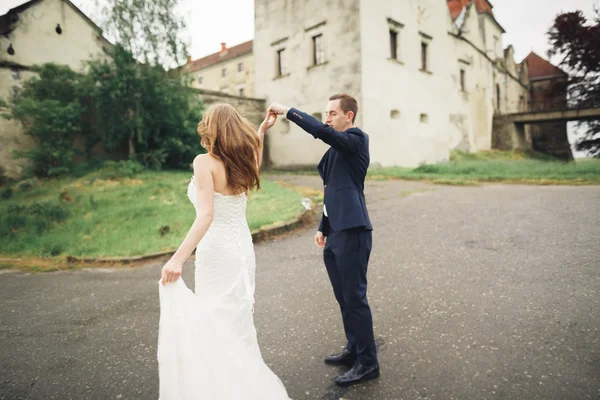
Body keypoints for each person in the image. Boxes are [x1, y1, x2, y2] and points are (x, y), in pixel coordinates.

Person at [157, 103, 291, 399]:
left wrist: (177, 259)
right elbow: (255, 166)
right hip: (242, 250)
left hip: (217, 252)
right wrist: (260, 133)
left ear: (211, 129)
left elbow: (206, 215)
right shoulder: (242, 162)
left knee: (215, 322)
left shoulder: (204, 162)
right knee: (237, 318)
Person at [268, 94, 379, 387]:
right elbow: (334, 189)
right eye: (326, 113)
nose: (327, 118)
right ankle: (354, 348)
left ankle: (368, 363)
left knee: (355, 298)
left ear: (349, 116)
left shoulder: (356, 140)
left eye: (332, 113)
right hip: (336, 231)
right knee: (343, 296)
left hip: (354, 230)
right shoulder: (336, 150)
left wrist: (289, 112)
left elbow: (322, 132)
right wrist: (323, 226)